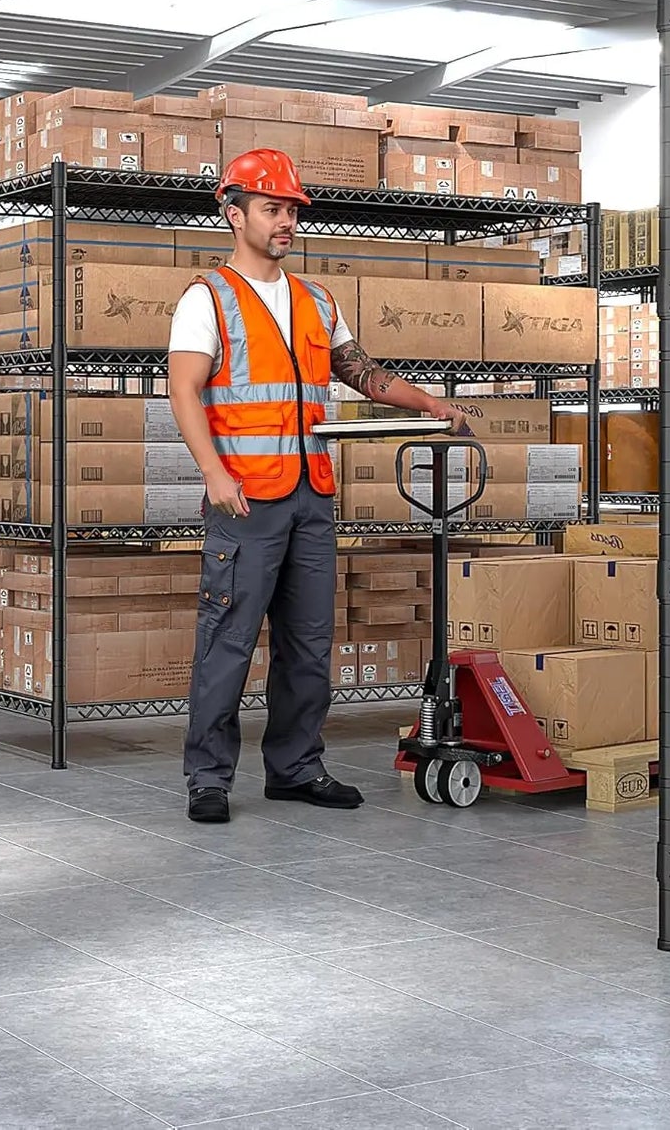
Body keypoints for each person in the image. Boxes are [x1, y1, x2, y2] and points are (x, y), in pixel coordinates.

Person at [168, 148, 468, 824]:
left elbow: (361, 371)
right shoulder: (206, 298)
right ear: (234, 213)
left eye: (291, 211)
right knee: (227, 643)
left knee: (308, 645)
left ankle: (296, 767)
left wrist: (424, 404)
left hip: (309, 496)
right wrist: (213, 471)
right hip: (243, 498)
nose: (284, 222)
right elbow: (182, 389)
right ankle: (207, 777)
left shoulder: (315, 300)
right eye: (271, 209)